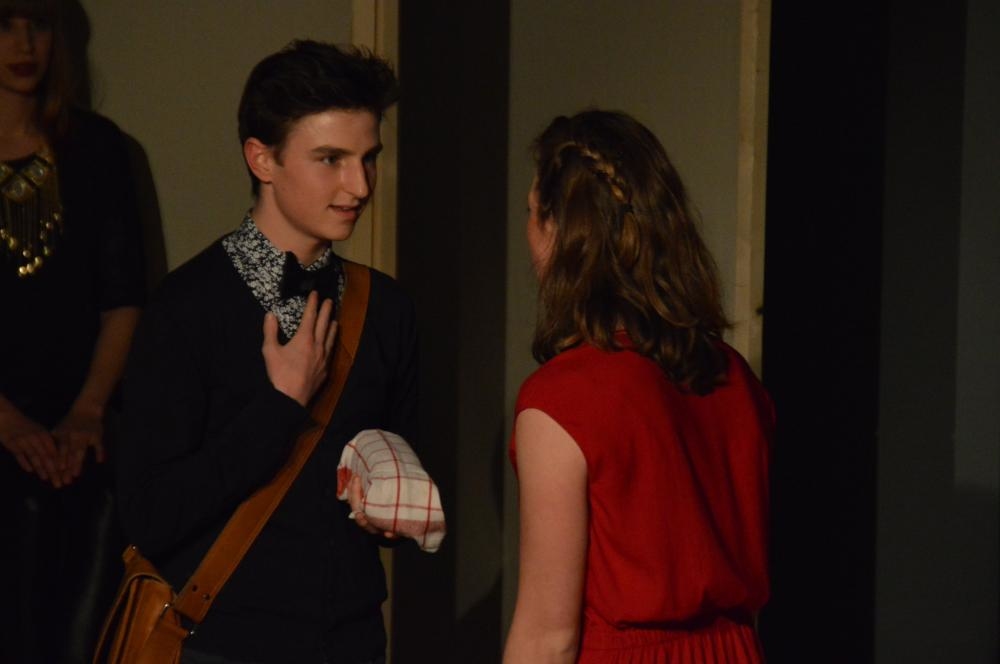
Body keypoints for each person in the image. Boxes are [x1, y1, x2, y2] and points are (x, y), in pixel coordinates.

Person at [116, 40, 416, 664]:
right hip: (220, 643)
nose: (359, 185)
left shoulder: (386, 308)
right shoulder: (186, 308)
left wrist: (394, 508)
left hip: (351, 640)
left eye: (369, 158)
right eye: (330, 159)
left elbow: (398, 469)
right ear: (262, 159)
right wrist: (280, 407)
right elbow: (150, 513)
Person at [503, 110, 774, 663]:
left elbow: (548, 638)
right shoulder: (734, 376)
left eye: (532, 213)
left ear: (559, 231)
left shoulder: (561, 400)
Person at [0, 0, 145, 661]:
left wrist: (87, 411)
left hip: (79, 420)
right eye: (4, 24)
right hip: (4, 419)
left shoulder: (98, 147)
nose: (24, 44)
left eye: (37, 24)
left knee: (97, 512)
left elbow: (123, 299)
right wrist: (8, 422)